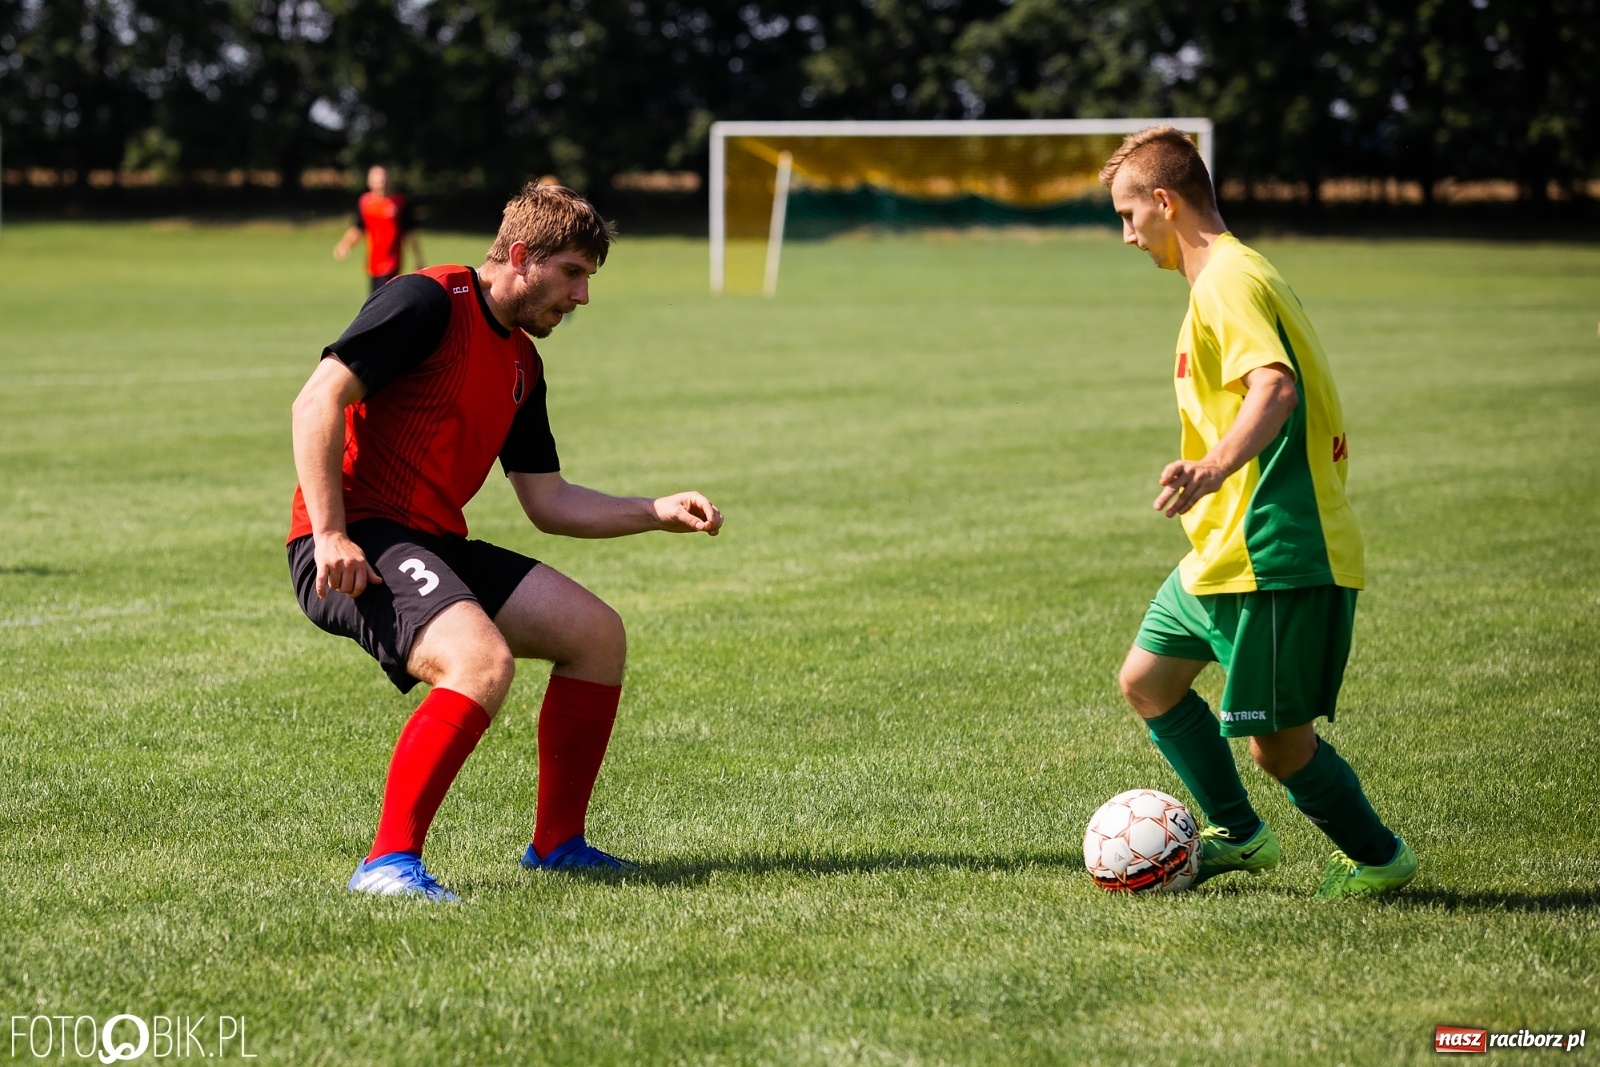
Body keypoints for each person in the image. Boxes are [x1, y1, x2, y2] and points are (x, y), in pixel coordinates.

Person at [289, 182, 724, 901]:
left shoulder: (523, 362)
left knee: (596, 634)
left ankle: (558, 846)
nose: (582, 296)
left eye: (589, 277)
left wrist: (654, 510)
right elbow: (317, 400)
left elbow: (547, 500)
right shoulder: (427, 300)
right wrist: (331, 532)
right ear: (521, 256)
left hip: (431, 542)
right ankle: (386, 865)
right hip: (354, 539)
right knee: (479, 662)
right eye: (573, 273)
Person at [1098, 127, 1416, 901]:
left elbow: (1274, 386)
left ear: (1165, 202)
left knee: (1278, 748)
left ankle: (1381, 858)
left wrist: (1211, 467)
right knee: (1147, 680)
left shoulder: (1227, 281)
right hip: (1221, 549)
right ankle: (1240, 833)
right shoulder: (1234, 274)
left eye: (1129, 215)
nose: (1128, 235)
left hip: (1273, 547)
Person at [333, 165, 425, 291]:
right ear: (370, 182)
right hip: (373, 263)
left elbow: (410, 234)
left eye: (383, 180)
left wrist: (418, 259)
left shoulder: (400, 203)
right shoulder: (365, 202)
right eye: (377, 181)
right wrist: (345, 245)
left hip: (392, 263)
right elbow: (358, 228)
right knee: (376, 297)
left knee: (385, 298)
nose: (381, 184)